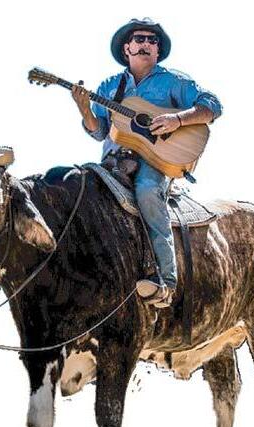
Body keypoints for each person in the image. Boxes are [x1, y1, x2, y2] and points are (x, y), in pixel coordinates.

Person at [71, 18, 222, 308]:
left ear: (157, 50)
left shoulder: (173, 81)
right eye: (139, 39)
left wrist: (177, 119)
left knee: (148, 191)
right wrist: (84, 110)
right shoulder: (109, 87)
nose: (146, 44)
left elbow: (212, 106)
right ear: (126, 48)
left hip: (155, 161)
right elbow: (100, 131)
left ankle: (166, 281)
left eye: (152, 41)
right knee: (79, 191)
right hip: (113, 163)